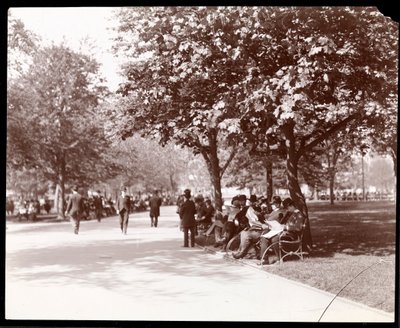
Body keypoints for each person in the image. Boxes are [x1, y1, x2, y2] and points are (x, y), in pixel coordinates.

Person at [259, 197, 303, 264]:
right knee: (264, 237)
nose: (287, 210)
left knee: (275, 238)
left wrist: (286, 227)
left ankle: (279, 258)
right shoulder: (290, 213)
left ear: (291, 206)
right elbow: (282, 223)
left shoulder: (298, 214)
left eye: (287, 208)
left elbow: (298, 228)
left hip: (292, 235)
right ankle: (264, 259)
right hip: (283, 232)